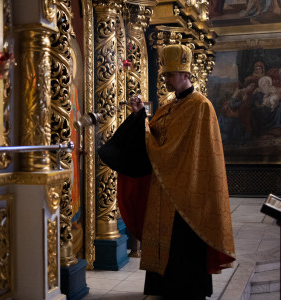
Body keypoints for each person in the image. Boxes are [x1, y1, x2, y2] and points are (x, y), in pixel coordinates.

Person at [99, 44, 236, 300]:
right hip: (164, 188)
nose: (165, 80)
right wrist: (140, 116)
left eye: (169, 75)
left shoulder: (200, 106)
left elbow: (174, 148)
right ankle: (161, 287)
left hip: (188, 191)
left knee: (184, 245)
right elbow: (157, 136)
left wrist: (153, 139)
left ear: (185, 74)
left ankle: (187, 290)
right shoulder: (169, 105)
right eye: (164, 76)